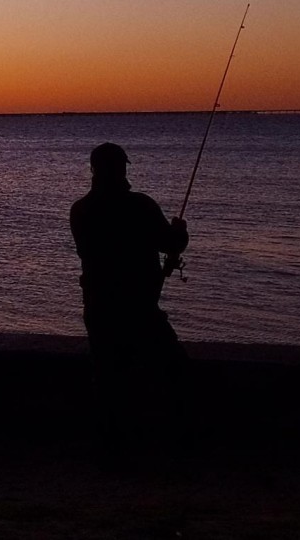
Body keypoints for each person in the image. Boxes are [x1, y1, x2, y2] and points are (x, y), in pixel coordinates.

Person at [70, 142, 189, 450]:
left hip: (98, 306)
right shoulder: (141, 206)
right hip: (140, 309)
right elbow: (171, 243)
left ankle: (110, 446)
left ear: (94, 170)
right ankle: (165, 439)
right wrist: (181, 230)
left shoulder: (80, 210)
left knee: (108, 377)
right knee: (171, 367)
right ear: (121, 169)